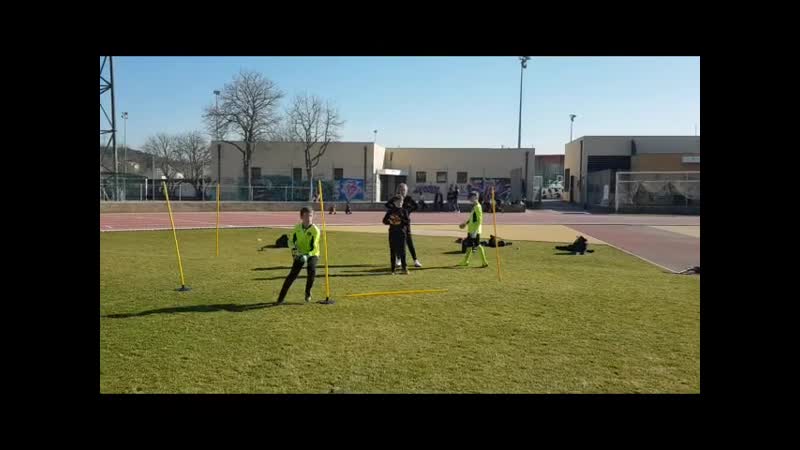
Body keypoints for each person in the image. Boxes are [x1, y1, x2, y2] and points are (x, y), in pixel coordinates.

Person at [276, 207, 320, 304]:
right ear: (301, 217)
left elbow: (314, 247)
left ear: (313, 217)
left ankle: (308, 292)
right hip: (299, 253)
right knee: (292, 275)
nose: (308, 218)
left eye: (310, 215)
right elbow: (290, 241)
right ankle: (280, 298)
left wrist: (307, 255)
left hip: (312, 254)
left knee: (311, 270)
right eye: (305, 216)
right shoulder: (297, 228)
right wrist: (295, 251)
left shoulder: (315, 230)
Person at [384, 182, 422, 268]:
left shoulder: (408, 199)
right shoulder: (396, 198)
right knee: (398, 243)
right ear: (398, 190)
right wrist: (394, 209)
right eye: (401, 189)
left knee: (409, 242)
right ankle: (398, 259)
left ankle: (415, 260)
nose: (403, 191)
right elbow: (387, 205)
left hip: (405, 223)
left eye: (404, 190)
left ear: (407, 191)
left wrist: (408, 211)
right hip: (396, 225)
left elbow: (416, 206)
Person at [458, 191, 489, 268]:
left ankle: (484, 261)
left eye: (471, 197)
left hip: (474, 230)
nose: (470, 199)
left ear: (475, 197)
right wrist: (465, 223)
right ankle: (465, 261)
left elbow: (479, 220)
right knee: (469, 246)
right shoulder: (475, 207)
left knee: (477, 245)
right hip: (471, 229)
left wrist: (475, 231)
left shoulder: (478, 207)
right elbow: (472, 219)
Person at [382, 195, 410, 274]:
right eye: (398, 201)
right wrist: (391, 221)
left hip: (402, 233)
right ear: (395, 202)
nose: (400, 203)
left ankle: (404, 268)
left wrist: (400, 220)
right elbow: (384, 221)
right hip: (392, 232)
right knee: (393, 251)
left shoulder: (404, 211)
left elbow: (407, 222)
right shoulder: (390, 211)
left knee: (402, 251)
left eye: (401, 201)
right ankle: (392, 269)